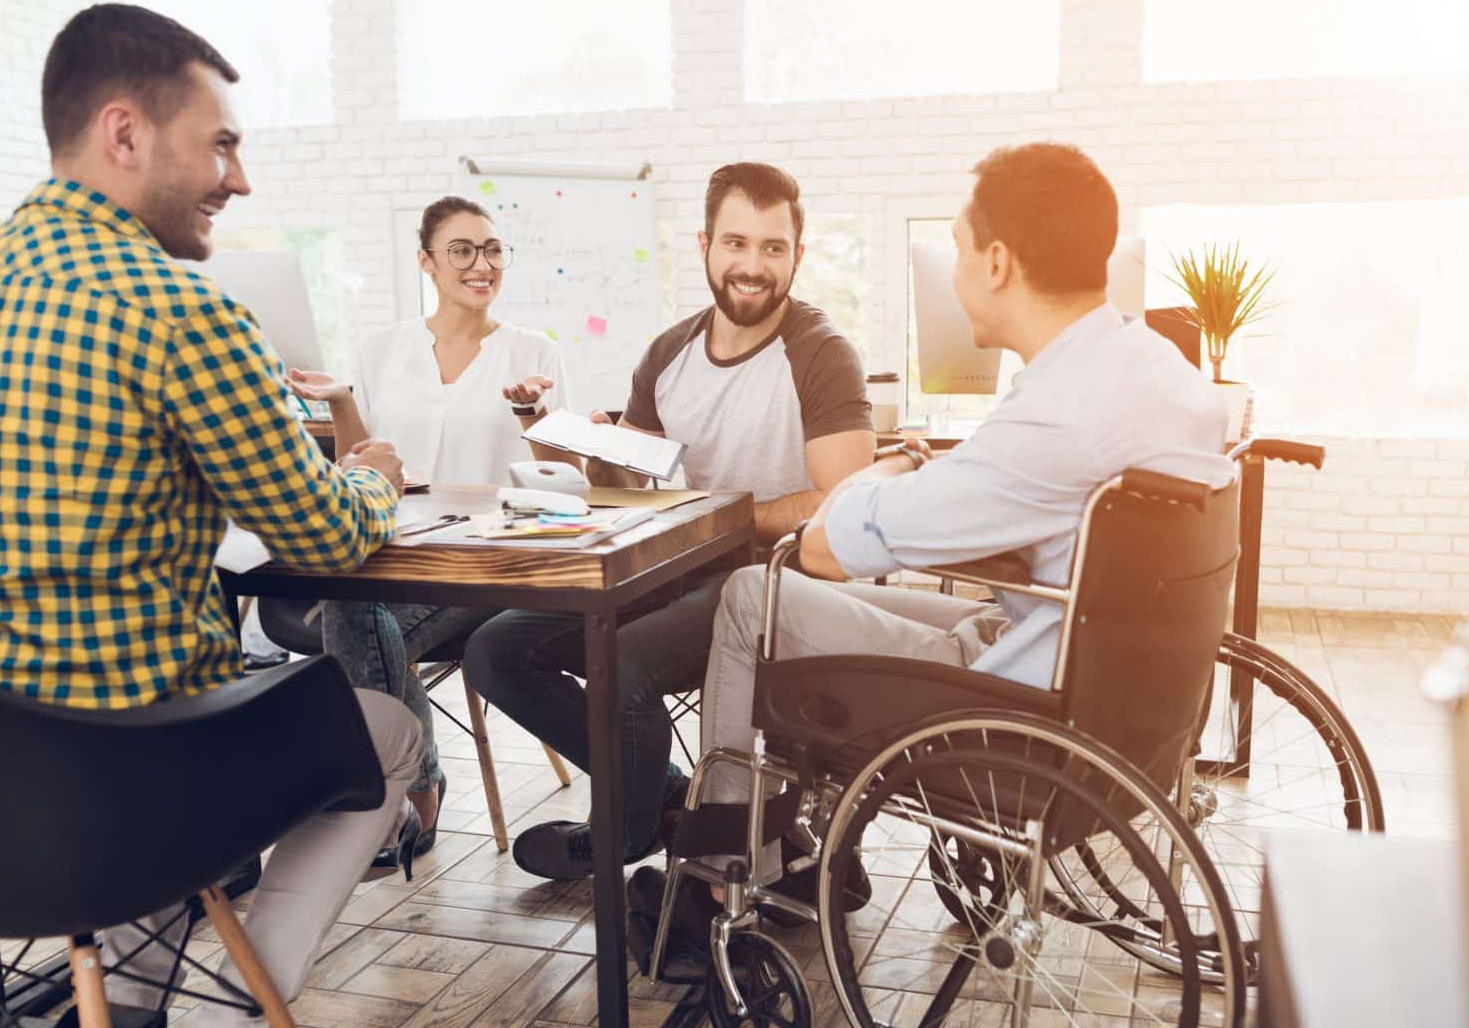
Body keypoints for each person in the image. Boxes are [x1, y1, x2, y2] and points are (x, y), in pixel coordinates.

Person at [0, 2, 421, 1028]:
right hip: (124, 793)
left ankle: (104, 1027)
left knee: (130, 709)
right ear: (125, 132)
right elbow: (317, 535)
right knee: (384, 728)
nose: (239, 178)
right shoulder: (178, 312)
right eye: (220, 144)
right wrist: (370, 471)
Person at [628, 142, 1236, 955]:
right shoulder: (1156, 367)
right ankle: (795, 844)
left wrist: (892, 462)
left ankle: (721, 874)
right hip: (1102, 679)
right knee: (823, 604)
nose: (951, 272)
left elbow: (828, 546)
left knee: (753, 596)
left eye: (955, 246)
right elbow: (1036, 508)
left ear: (994, 261)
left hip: (1023, 706)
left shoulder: (1054, 415)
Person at [463, 162, 874, 885]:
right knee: (496, 649)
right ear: (706, 245)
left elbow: (844, 500)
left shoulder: (819, 352)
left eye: (773, 248)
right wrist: (595, 454)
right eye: (736, 243)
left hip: (780, 582)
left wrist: (717, 514)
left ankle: (618, 836)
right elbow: (629, 491)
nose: (752, 266)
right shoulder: (668, 354)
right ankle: (656, 798)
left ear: (797, 257)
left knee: (620, 664)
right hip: (684, 568)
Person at [277, 196, 568, 877]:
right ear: (426, 263)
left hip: (489, 567)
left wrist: (533, 412)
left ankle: (404, 795)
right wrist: (343, 401)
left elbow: (565, 480)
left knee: (344, 634)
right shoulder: (384, 348)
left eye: (493, 249)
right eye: (462, 249)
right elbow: (361, 464)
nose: (481, 263)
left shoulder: (533, 350)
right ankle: (419, 781)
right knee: (353, 604)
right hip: (395, 555)